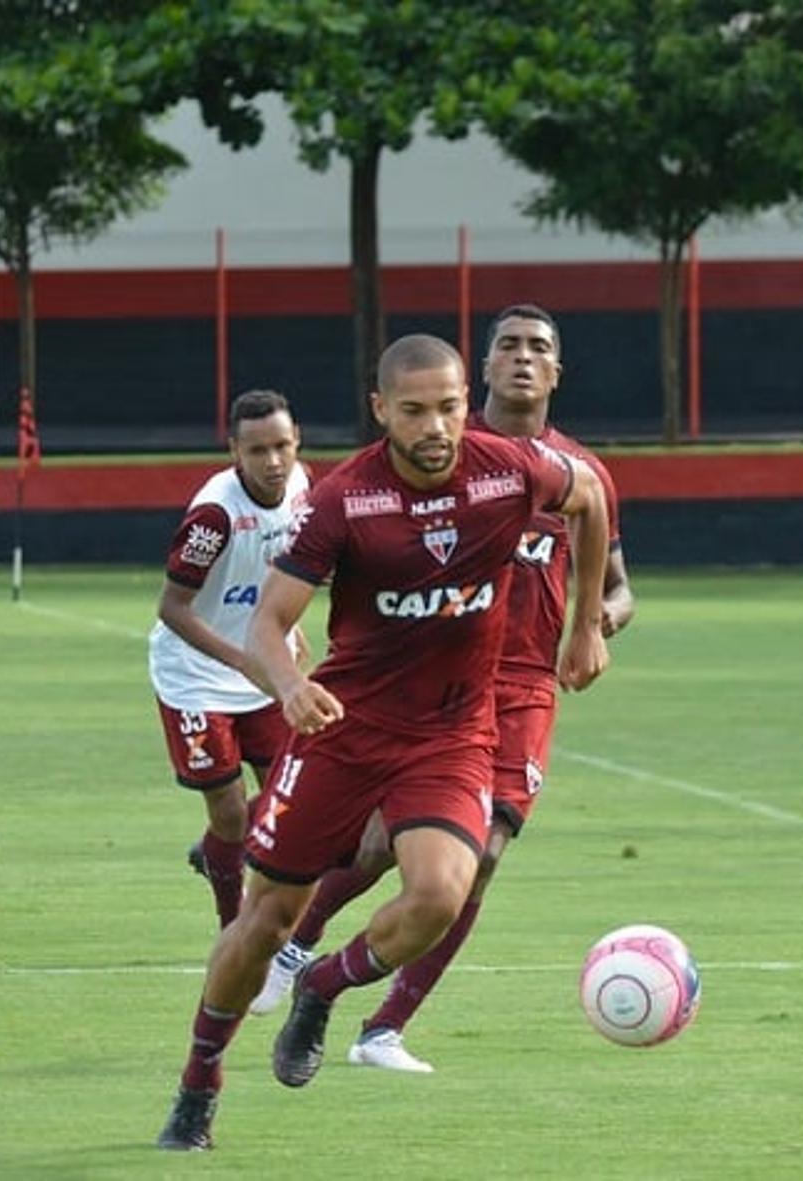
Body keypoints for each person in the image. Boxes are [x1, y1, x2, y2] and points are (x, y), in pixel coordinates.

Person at [155, 333, 611, 1151]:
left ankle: (324, 988)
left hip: (450, 732)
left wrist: (583, 628)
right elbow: (269, 622)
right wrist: (292, 686)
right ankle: (199, 1080)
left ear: (467, 401)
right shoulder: (344, 499)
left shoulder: (510, 468)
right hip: (345, 729)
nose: (435, 426)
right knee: (265, 921)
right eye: (413, 410)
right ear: (381, 411)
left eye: (448, 406)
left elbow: (592, 496)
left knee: (441, 891)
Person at [249, 304, 635, 1074]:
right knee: (375, 841)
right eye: (508, 346)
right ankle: (295, 945)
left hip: (519, 684)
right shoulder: (440, 462)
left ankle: (381, 1024)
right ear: (480, 370)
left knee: (479, 855)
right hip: (416, 677)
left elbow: (618, 585)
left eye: (540, 349)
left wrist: (591, 623)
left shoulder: (574, 472)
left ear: (557, 372)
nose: (524, 359)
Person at [148, 389, 312, 928]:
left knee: (287, 804)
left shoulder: (303, 488)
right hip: (195, 677)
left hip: (265, 669)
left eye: (282, 446)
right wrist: (240, 659)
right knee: (231, 813)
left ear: (297, 442)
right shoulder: (214, 517)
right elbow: (172, 607)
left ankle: (213, 851)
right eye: (258, 450)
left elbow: (283, 566)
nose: (273, 462)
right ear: (234, 451)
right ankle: (233, 927)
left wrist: (293, 628)